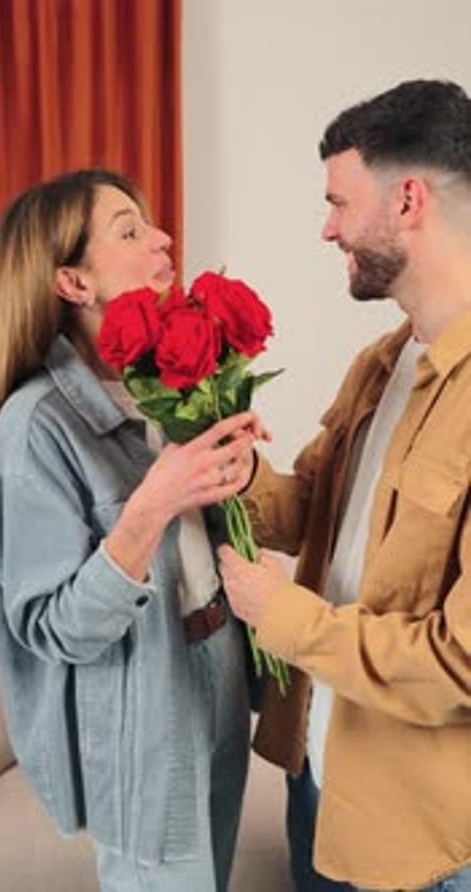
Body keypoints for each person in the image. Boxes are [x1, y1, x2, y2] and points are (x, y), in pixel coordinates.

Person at [0, 168, 261, 892]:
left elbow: (200, 545)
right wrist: (147, 509)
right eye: (129, 231)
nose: (162, 238)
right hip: (141, 706)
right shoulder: (32, 431)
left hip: (218, 672)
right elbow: (54, 627)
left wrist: (237, 472)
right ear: (73, 282)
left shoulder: (167, 389)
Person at [217, 79, 471, 892]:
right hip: (317, 784)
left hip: (421, 847)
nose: (327, 228)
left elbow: (459, 666)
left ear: (407, 199)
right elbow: (313, 511)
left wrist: (281, 616)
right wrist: (233, 465)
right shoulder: (385, 362)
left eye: (338, 202)